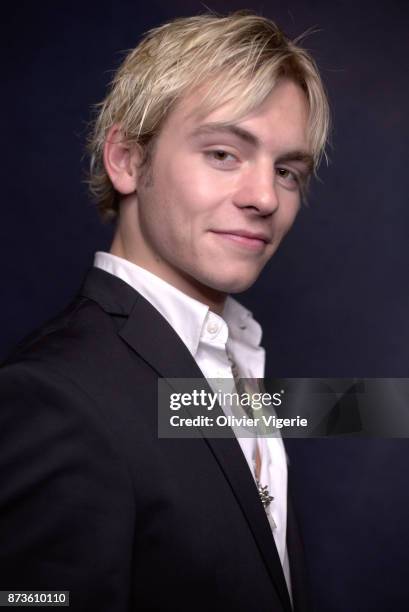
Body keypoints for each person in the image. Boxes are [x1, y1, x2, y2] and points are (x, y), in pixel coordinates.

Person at [0, 11, 329, 611]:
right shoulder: (53, 395)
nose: (264, 197)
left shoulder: (234, 363)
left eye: (287, 170)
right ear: (126, 159)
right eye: (225, 153)